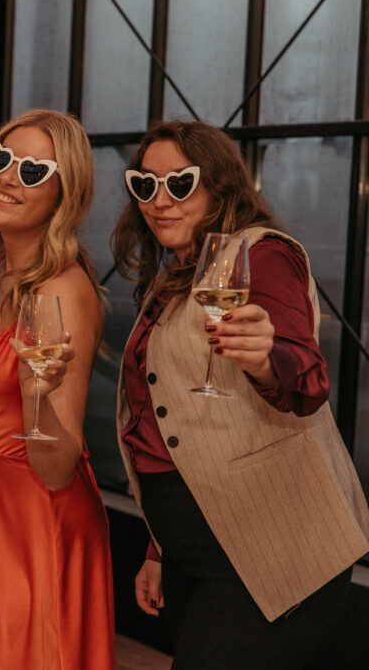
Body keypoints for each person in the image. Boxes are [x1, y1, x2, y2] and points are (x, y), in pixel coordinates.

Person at [111, 119, 369, 669]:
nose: (160, 200)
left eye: (180, 183)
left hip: (272, 546)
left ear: (219, 185)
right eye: (145, 184)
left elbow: (309, 380)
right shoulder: (177, 274)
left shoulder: (263, 255)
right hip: (193, 549)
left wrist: (266, 360)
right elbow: (162, 425)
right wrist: (158, 547)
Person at [0, 109, 115, 669]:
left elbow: (58, 465)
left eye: (33, 171)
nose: (8, 177)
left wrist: (37, 395)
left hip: (33, 516)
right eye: (0, 158)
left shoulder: (62, 290)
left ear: (64, 195)